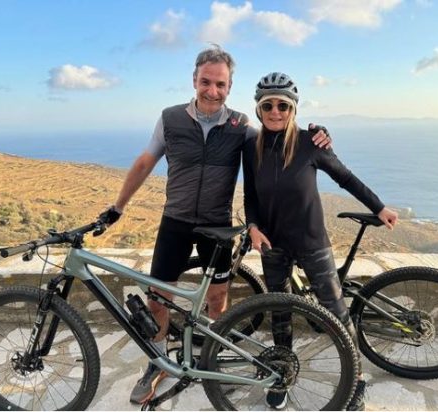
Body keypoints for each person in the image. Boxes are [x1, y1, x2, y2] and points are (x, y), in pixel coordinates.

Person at [98, 46, 331, 405]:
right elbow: (145, 161)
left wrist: (316, 134)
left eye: (220, 84)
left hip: (217, 227)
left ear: (229, 86)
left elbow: (277, 135)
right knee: (158, 299)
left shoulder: (241, 126)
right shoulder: (170, 118)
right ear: (194, 80)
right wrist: (118, 207)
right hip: (175, 222)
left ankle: (212, 355)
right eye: (206, 82)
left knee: (218, 298)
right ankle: (157, 362)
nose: (212, 90)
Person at [243, 72, 398, 411]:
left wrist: (379, 207)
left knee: (337, 312)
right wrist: (252, 226)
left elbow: (345, 178)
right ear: (258, 109)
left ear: (293, 109)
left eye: (283, 105)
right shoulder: (251, 148)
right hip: (272, 243)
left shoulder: (310, 142)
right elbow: (250, 195)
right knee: (279, 311)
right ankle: (282, 371)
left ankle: (356, 378)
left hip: (311, 240)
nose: (275, 112)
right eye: (268, 106)